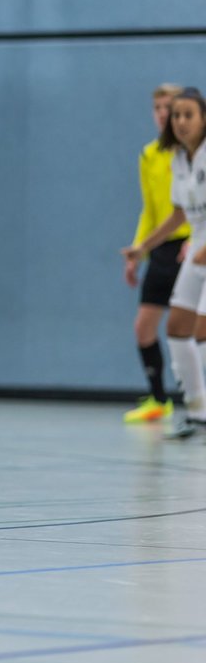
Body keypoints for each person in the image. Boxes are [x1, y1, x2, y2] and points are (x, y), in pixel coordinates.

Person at [122, 87, 206, 438]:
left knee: (202, 333)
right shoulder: (178, 160)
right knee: (176, 330)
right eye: (177, 116)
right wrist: (142, 248)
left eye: (189, 114)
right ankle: (198, 412)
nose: (181, 121)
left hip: (202, 250)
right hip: (198, 251)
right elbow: (176, 216)